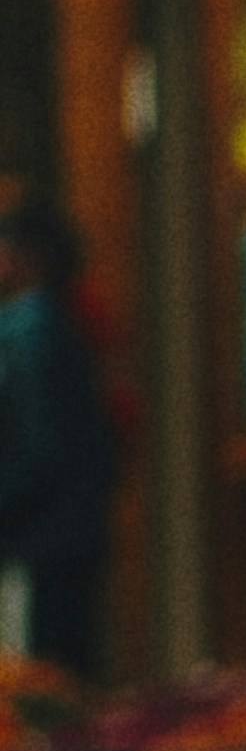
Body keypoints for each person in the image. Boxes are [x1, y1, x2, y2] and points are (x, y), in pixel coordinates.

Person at [0, 181, 120, 680]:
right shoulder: (52, 321)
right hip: (65, 540)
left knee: (36, 687)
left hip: (36, 545)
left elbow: (39, 451)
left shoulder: (28, 329)